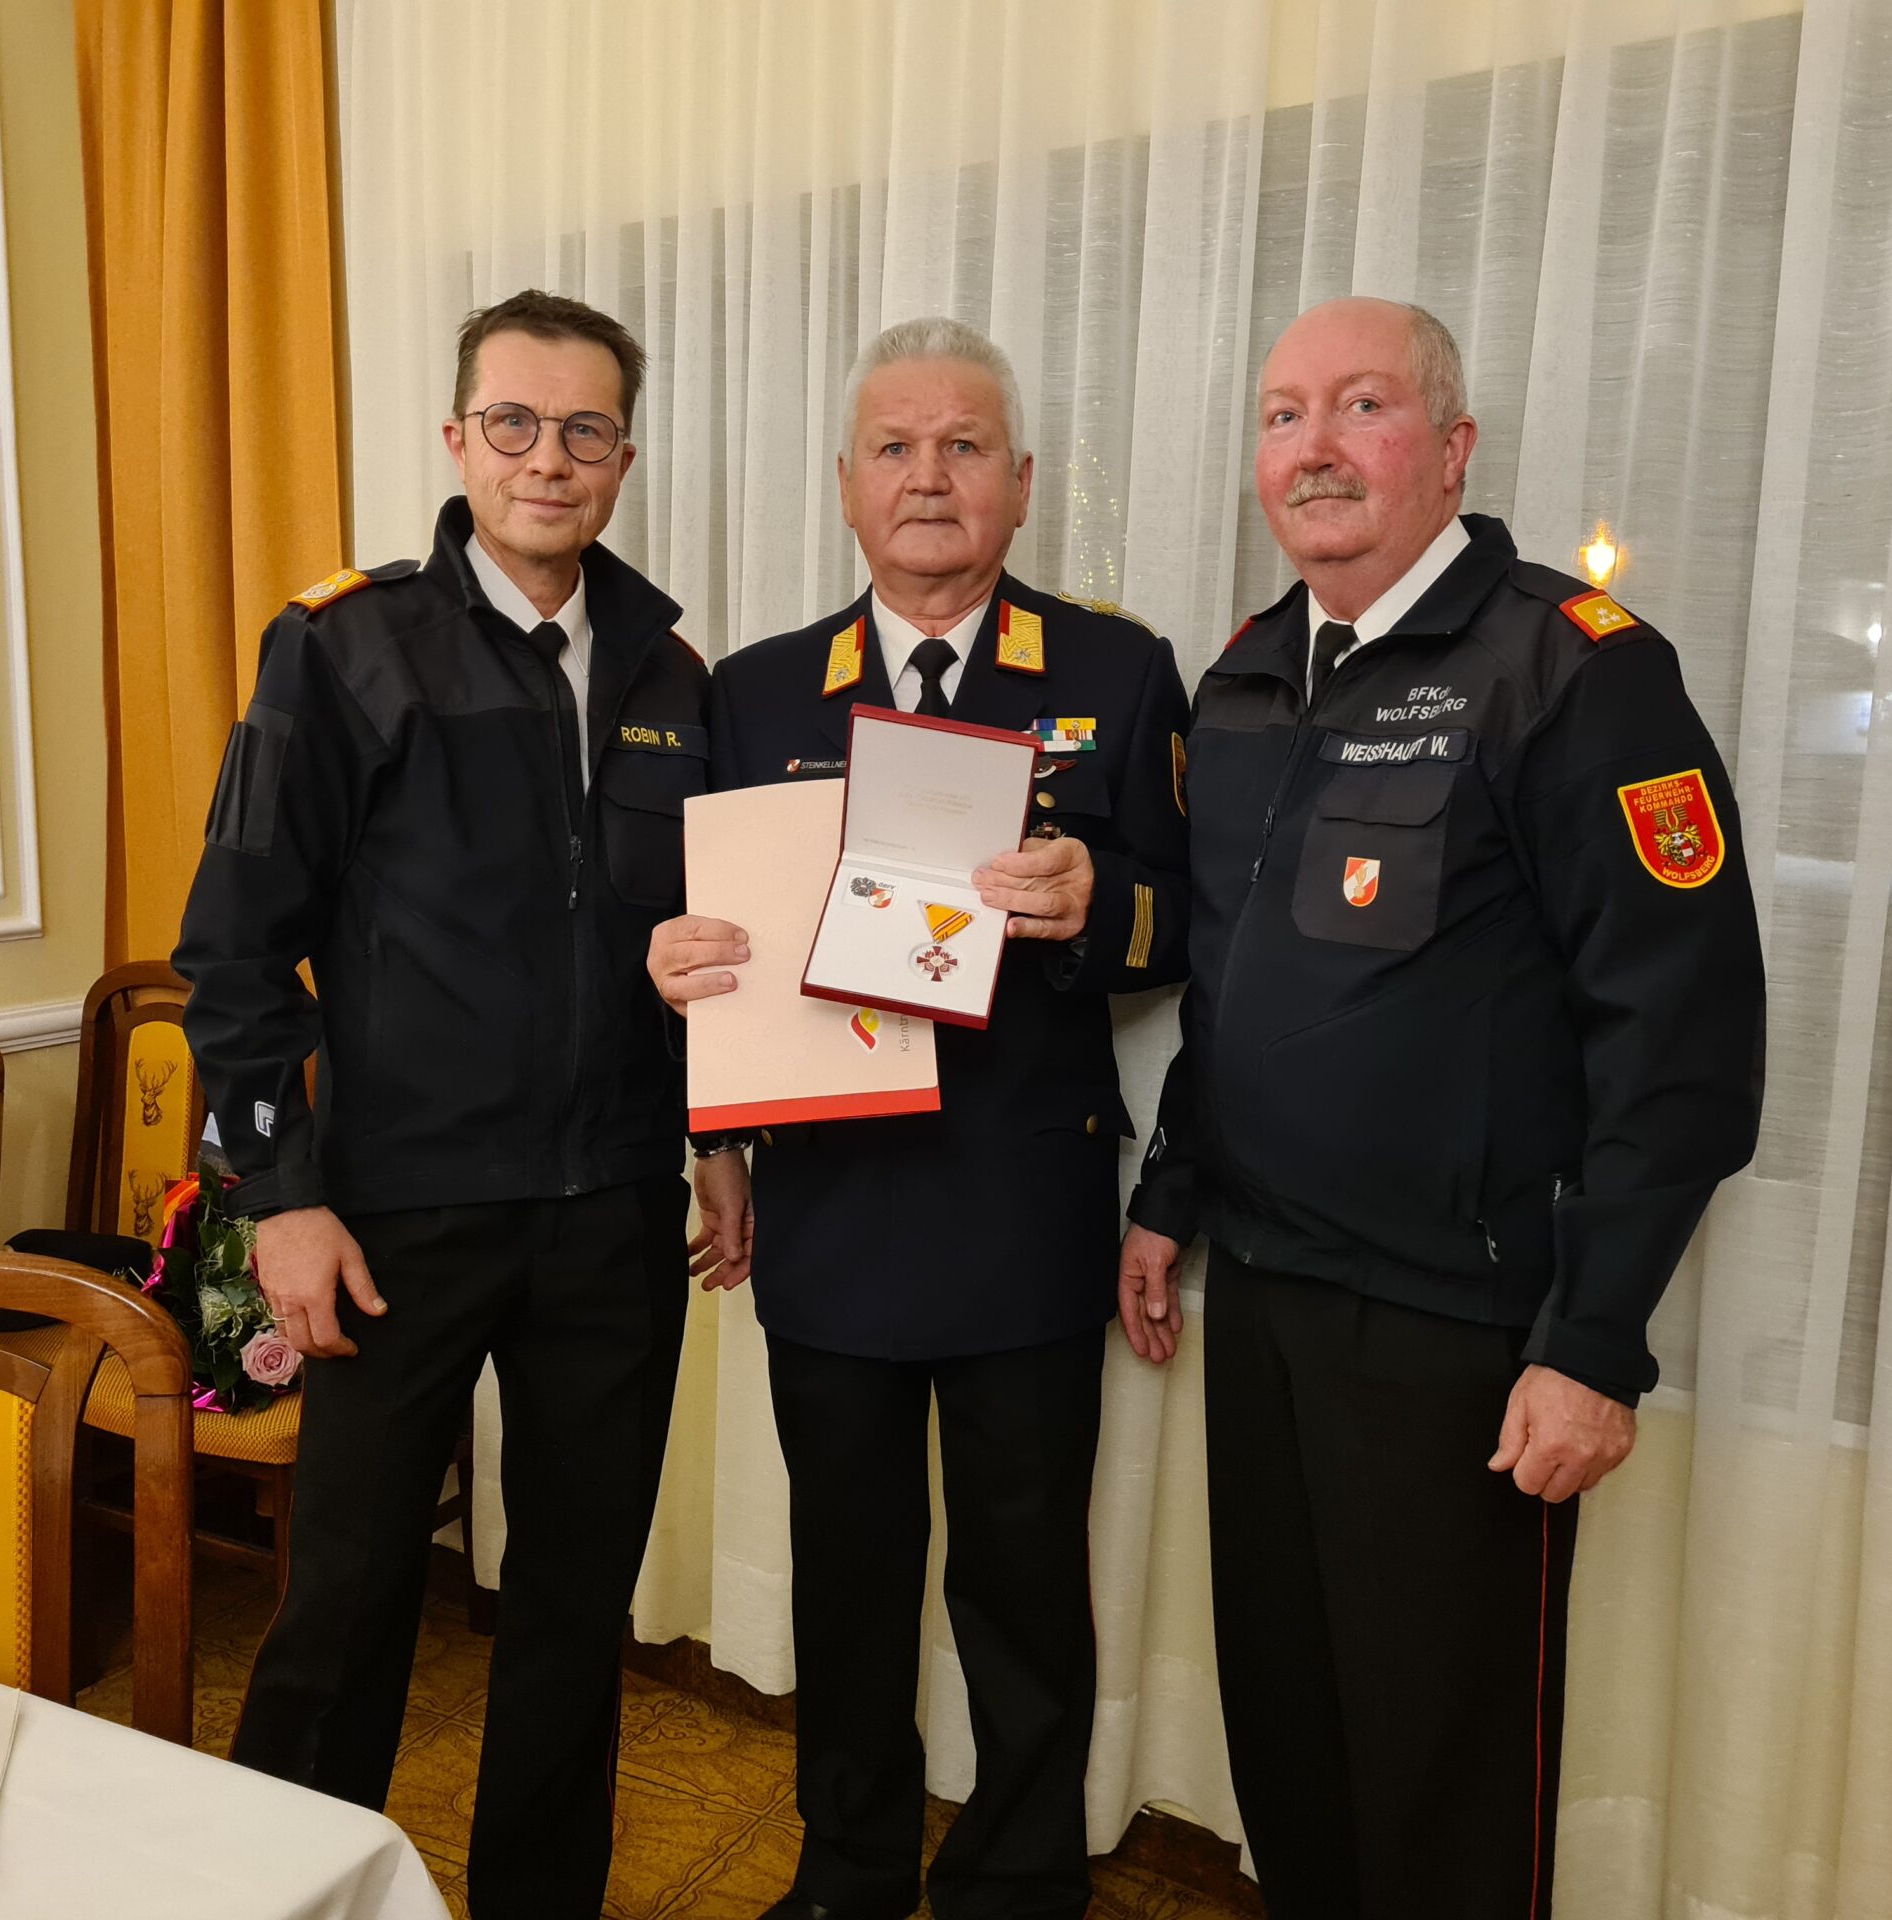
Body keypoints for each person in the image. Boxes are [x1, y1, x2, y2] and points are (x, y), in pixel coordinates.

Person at [1118, 297, 1765, 1918]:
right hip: (1266, 1294)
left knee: (1444, 1782)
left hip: (1458, 1328)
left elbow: (1682, 1036)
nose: (1314, 448)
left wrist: (1594, 1341)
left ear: (1454, 447)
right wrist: (1171, 1192)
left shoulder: (1572, 669)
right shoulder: (1248, 677)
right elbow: (1234, 984)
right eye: (1283, 415)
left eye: (1363, 406)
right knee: (1293, 1733)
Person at [175, 288, 740, 1919]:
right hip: (394, 1220)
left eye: (584, 429)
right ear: (457, 439)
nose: (547, 458)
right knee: (346, 1607)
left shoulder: (671, 671)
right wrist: (282, 1200)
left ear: (623, 455)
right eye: (514, 423)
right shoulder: (341, 647)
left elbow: (706, 945)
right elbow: (233, 951)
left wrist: (722, 1140)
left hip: (612, 1217)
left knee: (573, 1613)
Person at [648, 318, 1190, 1920]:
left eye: (963, 447)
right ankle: (852, 1868)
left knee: (1024, 1581)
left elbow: (1191, 919)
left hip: (1023, 1205)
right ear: (846, 485)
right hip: (834, 1204)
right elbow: (720, 953)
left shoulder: (1115, 672)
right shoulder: (754, 690)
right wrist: (713, 1131)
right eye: (896, 447)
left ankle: (1020, 1879)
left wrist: (1097, 901)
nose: (929, 477)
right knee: (851, 1574)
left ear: (1019, 482)